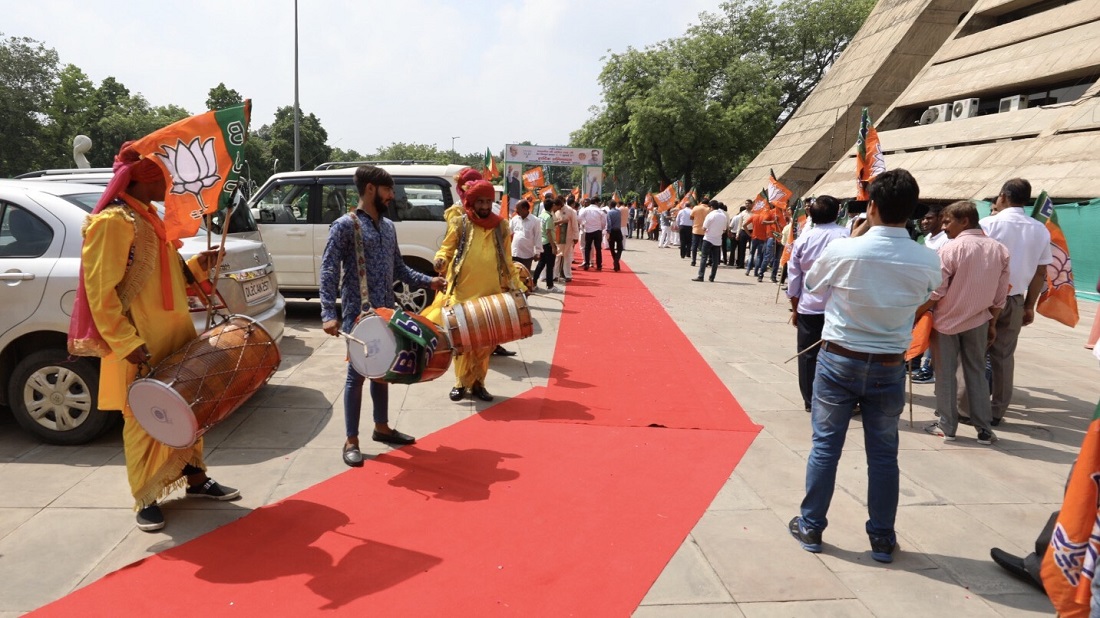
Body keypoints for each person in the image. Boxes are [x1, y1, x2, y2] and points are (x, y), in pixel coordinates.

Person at [70, 142, 239, 532]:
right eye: (165, 177)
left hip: (176, 333)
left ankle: (196, 479)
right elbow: (101, 293)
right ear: (145, 180)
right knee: (144, 416)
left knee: (188, 407)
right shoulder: (112, 222)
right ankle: (144, 496)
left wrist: (199, 264)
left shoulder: (150, 218)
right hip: (140, 338)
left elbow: (167, 275)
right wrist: (127, 343)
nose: (171, 184)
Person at [788, 169, 941, 564]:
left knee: (825, 446)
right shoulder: (927, 258)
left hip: (840, 358)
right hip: (890, 363)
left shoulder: (845, 250)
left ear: (871, 206)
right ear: (911, 212)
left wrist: (854, 242)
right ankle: (882, 538)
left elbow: (813, 288)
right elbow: (926, 295)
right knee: (884, 454)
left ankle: (811, 526)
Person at [321, 166, 446, 467]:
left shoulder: (389, 227)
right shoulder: (344, 226)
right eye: (388, 189)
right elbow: (328, 270)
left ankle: (382, 427)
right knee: (357, 375)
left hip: (387, 312)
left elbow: (399, 270)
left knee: (384, 369)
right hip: (357, 314)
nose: (392, 195)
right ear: (370, 189)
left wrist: (429, 281)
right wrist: (328, 311)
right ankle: (351, 440)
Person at [958, 178, 1052, 427]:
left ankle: (966, 409)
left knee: (974, 354)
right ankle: (997, 410)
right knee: (1003, 357)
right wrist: (1030, 305)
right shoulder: (1040, 229)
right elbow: (1041, 272)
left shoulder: (989, 223)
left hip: (985, 298)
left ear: (1002, 196)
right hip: (1015, 299)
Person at [917, 200, 1009, 445]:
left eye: (947, 221)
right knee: (976, 373)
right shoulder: (999, 249)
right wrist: (992, 322)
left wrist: (916, 314)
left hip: (946, 322)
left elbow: (936, 291)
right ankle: (984, 429)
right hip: (979, 320)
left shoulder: (951, 249)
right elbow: (1001, 295)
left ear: (964, 220)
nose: (944, 227)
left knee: (945, 374)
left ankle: (947, 426)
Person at [427, 178, 526, 402]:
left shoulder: (501, 225)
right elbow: (446, 248)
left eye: (488, 201)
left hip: (491, 292)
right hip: (462, 292)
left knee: (485, 344)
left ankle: (479, 383)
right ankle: (460, 383)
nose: (483, 206)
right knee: (461, 342)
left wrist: (517, 285)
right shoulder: (460, 223)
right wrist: (440, 259)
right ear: (471, 201)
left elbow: (508, 260)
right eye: (479, 201)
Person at [786, 196, 849, 412]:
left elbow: (793, 277)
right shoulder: (847, 237)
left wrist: (795, 307)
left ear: (810, 214)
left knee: (807, 355)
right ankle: (836, 397)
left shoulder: (804, 239)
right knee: (839, 353)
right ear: (838, 212)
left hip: (809, 306)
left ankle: (810, 400)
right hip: (840, 308)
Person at [692, 202, 727, 282]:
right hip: (718, 240)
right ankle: (712, 277)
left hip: (708, 239)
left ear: (711, 207)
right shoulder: (723, 216)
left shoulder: (711, 215)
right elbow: (724, 229)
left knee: (704, 257)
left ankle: (701, 276)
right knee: (715, 260)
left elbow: (704, 227)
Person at [531, 198, 560, 292]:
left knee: (541, 264)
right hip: (548, 243)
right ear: (552, 207)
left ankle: (534, 282)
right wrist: (553, 246)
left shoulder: (541, 215)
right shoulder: (548, 217)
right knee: (550, 265)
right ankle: (550, 286)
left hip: (541, 242)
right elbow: (548, 232)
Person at [509, 198, 540, 271]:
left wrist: (537, 252)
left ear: (525, 208)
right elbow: (508, 233)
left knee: (524, 276)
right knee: (513, 275)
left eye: (518, 209)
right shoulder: (515, 219)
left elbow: (538, 237)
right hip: (514, 253)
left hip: (526, 255)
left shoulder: (535, 221)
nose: (516, 211)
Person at [578, 195, 606, 270]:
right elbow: (604, 222)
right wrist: (601, 228)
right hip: (598, 231)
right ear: (597, 202)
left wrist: (584, 224)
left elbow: (579, 218)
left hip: (588, 230)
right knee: (598, 249)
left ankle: (587, 263)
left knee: (587, 248)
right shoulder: (600, 211)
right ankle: (599, 265)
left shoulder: (585, 210)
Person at [689, 198, 710, 266]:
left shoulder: (696, 207)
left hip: (696, 230)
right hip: (705, 231)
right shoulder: (709, 209)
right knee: (704, 247)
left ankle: (693, 261)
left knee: (694, 246)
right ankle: (704, 261)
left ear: (701, 202)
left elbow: (691, 217)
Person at [606, 200, 624, 271]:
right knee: (620, 248)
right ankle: (616, 262)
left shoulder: (609, 213)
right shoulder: (618, 212)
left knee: (612, 248)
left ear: (610, 205)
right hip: (618, 230)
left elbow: (609, 223)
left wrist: (608, 232)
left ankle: (616, 261)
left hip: (612, 231)